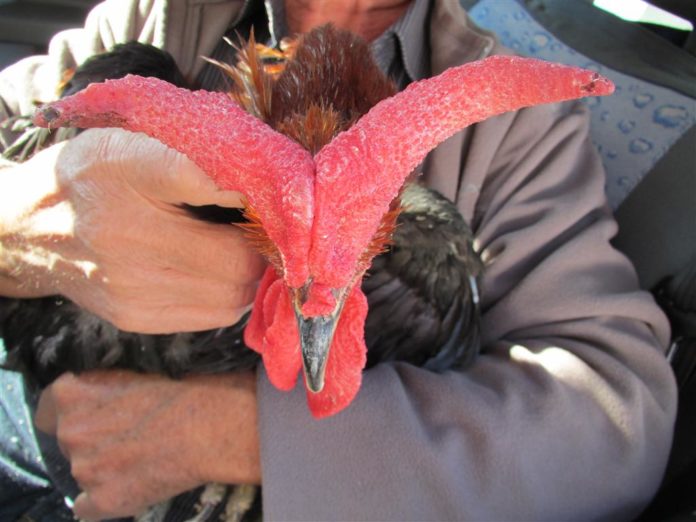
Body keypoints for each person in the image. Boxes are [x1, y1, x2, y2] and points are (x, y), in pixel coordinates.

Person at [0, 0, 678, 520]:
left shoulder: (517, 129)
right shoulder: (164, 16)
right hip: (34, 406)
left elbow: (612, 427)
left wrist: (232, 433)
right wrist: (21, 222)